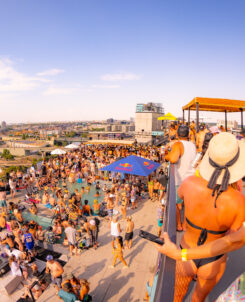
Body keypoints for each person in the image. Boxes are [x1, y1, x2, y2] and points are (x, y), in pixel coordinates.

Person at [169, 132, 245, 302]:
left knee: (176, 298)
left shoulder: (189, 184)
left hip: (186, 251)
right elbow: (232, 236)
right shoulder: (240, 201)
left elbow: (179, 197)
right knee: (198, 299)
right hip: (214, 260)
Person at [165, 124, 196, 231]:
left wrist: (166, 155)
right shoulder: (192, 145)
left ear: (177, 134)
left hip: (180, 179)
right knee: (187, 204)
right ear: (188, 134)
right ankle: (185, 224)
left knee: (177, 204)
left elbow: (173, 159)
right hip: (191, 179)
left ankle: (179, 225)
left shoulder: (178, 144)